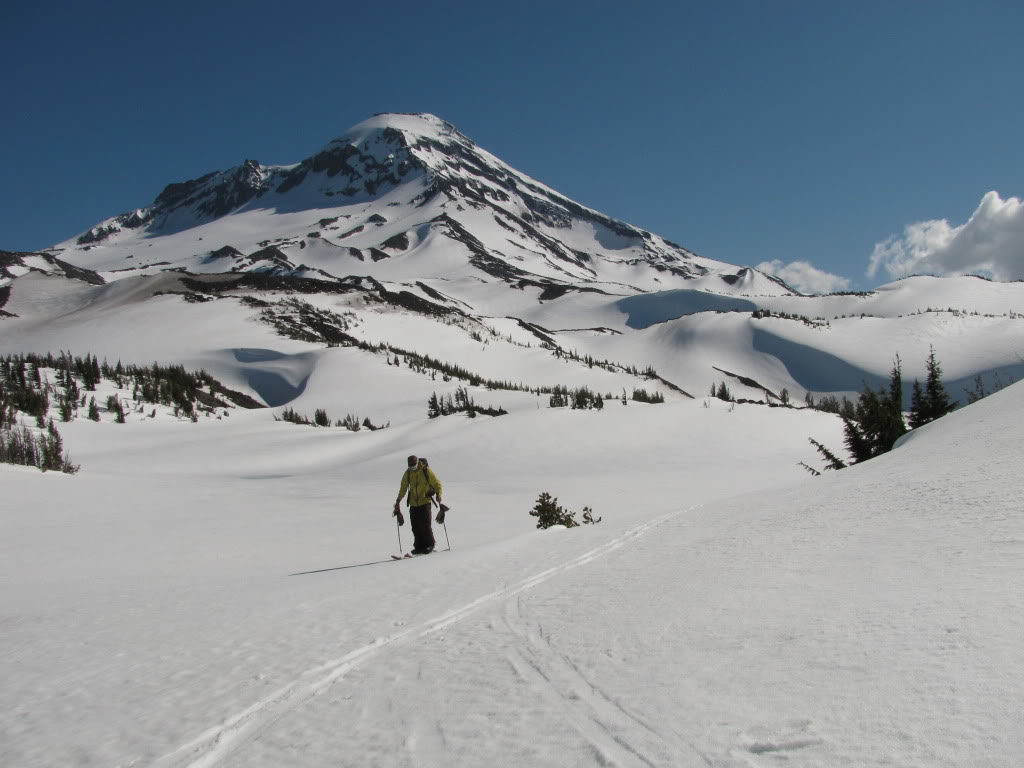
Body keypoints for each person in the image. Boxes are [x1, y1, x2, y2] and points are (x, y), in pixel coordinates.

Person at [393, 455, 443, 554]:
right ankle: (419, 547)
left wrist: (439, 495)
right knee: (415, 525)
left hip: (425, 501)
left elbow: (437, 484)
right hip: (413, 503)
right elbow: (403, 488)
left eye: (414, 465)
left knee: (425, 525)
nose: (412, 467)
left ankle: (430, 544)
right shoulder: (407, 473)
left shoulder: (426, 471)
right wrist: (398, 500)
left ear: (417, 463)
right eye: (410, 466)